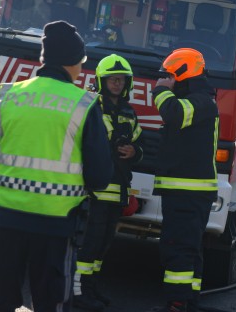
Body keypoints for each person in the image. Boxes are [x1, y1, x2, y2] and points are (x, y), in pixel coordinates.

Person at [0, 20, 113, 312]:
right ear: (73, 63)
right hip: (57, 224)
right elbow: (100, 177)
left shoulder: (9, 95)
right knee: (49, 302)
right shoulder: (84, 104)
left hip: (7, 218)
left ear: (43, 59)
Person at [150, 48, 219, 312]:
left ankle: (177, 302)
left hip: (187, 192)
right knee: (189, 248)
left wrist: (160, 91)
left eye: (169, 76)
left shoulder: (200, 101)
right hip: (187, 192)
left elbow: (174, 114)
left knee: (177, 248)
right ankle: (189, 299)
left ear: (182, 73)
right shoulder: (200, 99)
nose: (165, 80)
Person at [73, 54, 144, 311]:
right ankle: (77, 292)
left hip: (118, 191)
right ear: (102, 81)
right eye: (112, 80)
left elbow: (139, 142)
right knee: (88, 243)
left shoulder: (129, 112)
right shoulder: (91, 107)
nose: (117, 84)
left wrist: (135, 152)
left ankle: (90, 289)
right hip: (94, 191)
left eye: (121, 80)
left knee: (103, 246)